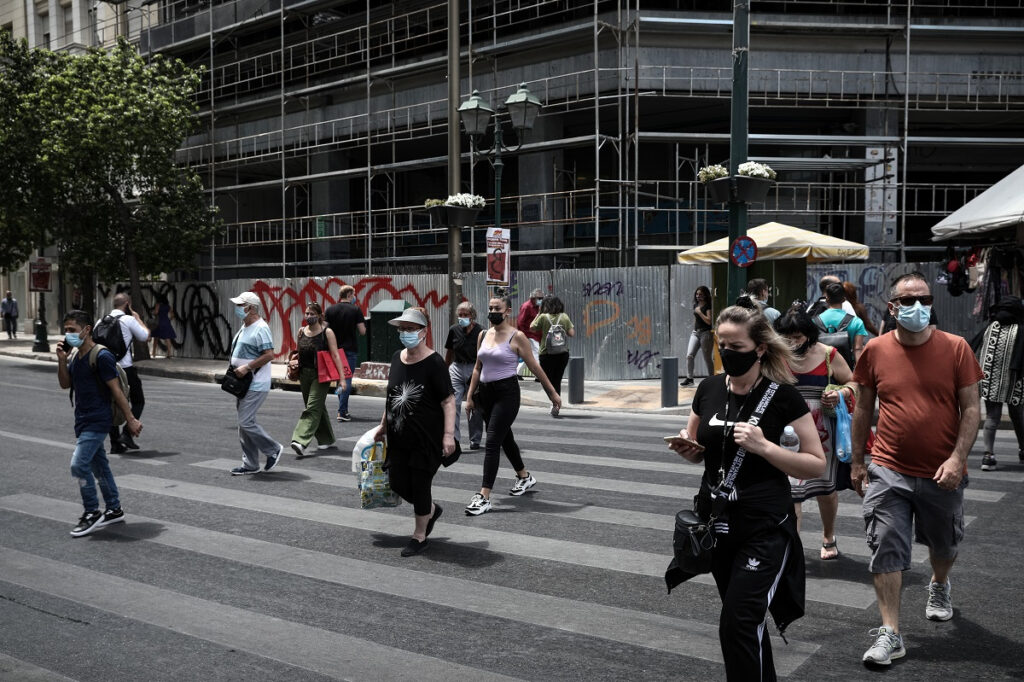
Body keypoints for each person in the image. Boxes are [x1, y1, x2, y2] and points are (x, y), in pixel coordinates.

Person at [666, 305, 824, 682]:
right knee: (746, 623)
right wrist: (689, 449)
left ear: (759, 348)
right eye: (722, 344)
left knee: (737, 622)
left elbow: (815, 463)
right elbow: (699, 446)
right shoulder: (707, 389)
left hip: (765, 526)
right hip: (718, 526)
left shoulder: (783, 396)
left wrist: (765, 447)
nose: (727, 351)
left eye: (736, 345)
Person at [851, 272, 982, 667]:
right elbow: (863, 408)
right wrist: (858, 461)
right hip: (889, 468)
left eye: (923, 299)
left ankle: (939, 584)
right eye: (908, 301)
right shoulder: (874, 350)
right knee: (886, 546)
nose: (917, 307)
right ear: (893, 307)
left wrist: (958, 458)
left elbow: (972, 408)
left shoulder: (957, 348)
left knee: (944, 544)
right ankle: (891, 632)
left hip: (942, 470)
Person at [463, 290, 562, 516]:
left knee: (493, 441)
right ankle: (524, 476)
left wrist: (552, 393)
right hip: (486, 394)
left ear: (507, 311)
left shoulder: (517, 337)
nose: (492, 312)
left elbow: (536, 367)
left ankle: (484, 495)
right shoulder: (483, 335)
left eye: (497, 309)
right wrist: (469, 397)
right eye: (490, 308)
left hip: (507, 394)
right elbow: (478, 368)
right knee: (505, 438)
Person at [372, 307, 456, 557]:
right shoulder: (398, 357)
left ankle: (419, 536)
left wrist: (448, 435)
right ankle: (430, 509)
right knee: (397, 482)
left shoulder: (434, 362)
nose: (405, 333)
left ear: (424, 332)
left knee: (420, 484)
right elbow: (393, 396)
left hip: (426, 438)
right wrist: (382, 425)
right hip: (399, 437)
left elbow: (448, 401)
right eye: (402, 329)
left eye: (411, 329)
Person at [774, 307, 855, 560]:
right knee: (791, 489)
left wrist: (841, 393)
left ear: (808, 334)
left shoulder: (829, 354)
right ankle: (793, 545)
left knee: (825, 488)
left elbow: (854, 382)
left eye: (796, 337)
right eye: (786, 337)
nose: (791, 342)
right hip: (788, 429)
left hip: (823, 430)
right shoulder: (777, 356)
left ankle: (828, 536)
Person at [56, 310, 142, 537]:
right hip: (82, 419)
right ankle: (114, 508)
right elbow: (65, 385)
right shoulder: (76, 357)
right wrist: (62, 361)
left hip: (98, 419)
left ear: (86, 330)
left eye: (72, 330)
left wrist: (131, 420)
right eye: (66, 331)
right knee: (99, 465)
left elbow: (116, 390)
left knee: (78, 464)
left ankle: (92, 512)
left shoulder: (101, 356)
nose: (68, 335)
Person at [227, 291, 284, 475]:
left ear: (250, 308)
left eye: (240, 305)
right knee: (245, 423)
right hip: (243, 383)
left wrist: (247, 367)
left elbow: (269, 355)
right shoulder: (245, 326)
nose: (237, 308)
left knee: (245, 422)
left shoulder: (261, 327)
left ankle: (273, 449)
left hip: (256, 383)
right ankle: (250, 463)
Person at [288, 302, 347, 458]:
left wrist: (342, 379)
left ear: (320, 316)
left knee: (312, 407)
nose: (308, 316)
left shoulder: (327, 332)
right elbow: (298, 352)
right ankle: (326, 439)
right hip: (304, 374)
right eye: (307, 313)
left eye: (312, 314)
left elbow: (335, 355)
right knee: (316, 406)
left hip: (321, 375)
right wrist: (293, 363)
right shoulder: (301, 331)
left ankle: (300, 440)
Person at [974, 295, 1024, 471]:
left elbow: (972, 345)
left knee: (991, 417)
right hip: (1015, 380)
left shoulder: (990, 328)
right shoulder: (1020, 329)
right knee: (1018, 416)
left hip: (989, 381)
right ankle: (1023, 450)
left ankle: (988, 456)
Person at [100, 293, 150, 454]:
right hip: (125, 368)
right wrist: (137, 318)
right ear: (127, 304)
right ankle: (127, 434)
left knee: (111, 404)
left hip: (106, 367)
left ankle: (115, 443)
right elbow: (145, 336)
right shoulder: (128, 320)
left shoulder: (101, 321)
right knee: (138, 401)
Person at [444, 300, 485, 450]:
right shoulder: (454, 330)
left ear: (472, 316)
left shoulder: (481, 331)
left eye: (465, 315)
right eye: (460, 315)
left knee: (473, 405)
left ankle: (475, 439)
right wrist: (445, 369)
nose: (462, 317)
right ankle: (454, 438)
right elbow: (449, 351)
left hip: (474, 368)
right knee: (453, 403)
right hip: (456, 367)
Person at [325, 285, 366, 422]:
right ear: (349, 295)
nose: (355, 297)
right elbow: (362, 331)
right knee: (347, 380)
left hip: (334, 349)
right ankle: (341, 411)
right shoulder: (355, 310)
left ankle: (344, 409)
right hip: (349, 350)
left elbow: (324, 329)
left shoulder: (330, 310)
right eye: (353, 294)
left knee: (340, 380)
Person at [530, 294, 576, 403]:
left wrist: (538, 314)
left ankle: (554, 401)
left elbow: (531, 328)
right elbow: (571, 333)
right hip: (562, 353)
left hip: (546, 354)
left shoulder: (543, 317)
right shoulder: (564, 316)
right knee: (557, 380)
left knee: (547, 381)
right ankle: (556, 401)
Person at [816, 282, 868, 365]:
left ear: (827, 299)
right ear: (844, 300)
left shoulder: (815, 321)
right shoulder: (856, 322)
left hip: (822, 367)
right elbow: (858, 349)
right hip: (847, 368)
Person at [681, 286, 713, 387]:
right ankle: (690, 379)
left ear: (705, 295)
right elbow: (696, 318)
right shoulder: (696, 305)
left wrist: (699, 312)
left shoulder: (708, 306)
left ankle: (712, 378)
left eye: (701, 294)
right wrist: (694, 328)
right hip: (695, 333)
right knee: (689, 355)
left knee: (707, 358)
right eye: (697, 294)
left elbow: (709, 321)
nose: (698, 296)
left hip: (706, 333)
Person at [516, 287, 545, 368]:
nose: (541, 300)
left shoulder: (539, 307)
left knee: (528, 354)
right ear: (533, 298)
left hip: (536, 335)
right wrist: (523, 335)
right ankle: (539, 373)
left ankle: (517, 372)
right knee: (536, 352)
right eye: (539, 298)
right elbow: (520, 322)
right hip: (529, 335)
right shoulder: (527, 307)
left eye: (542, 298)